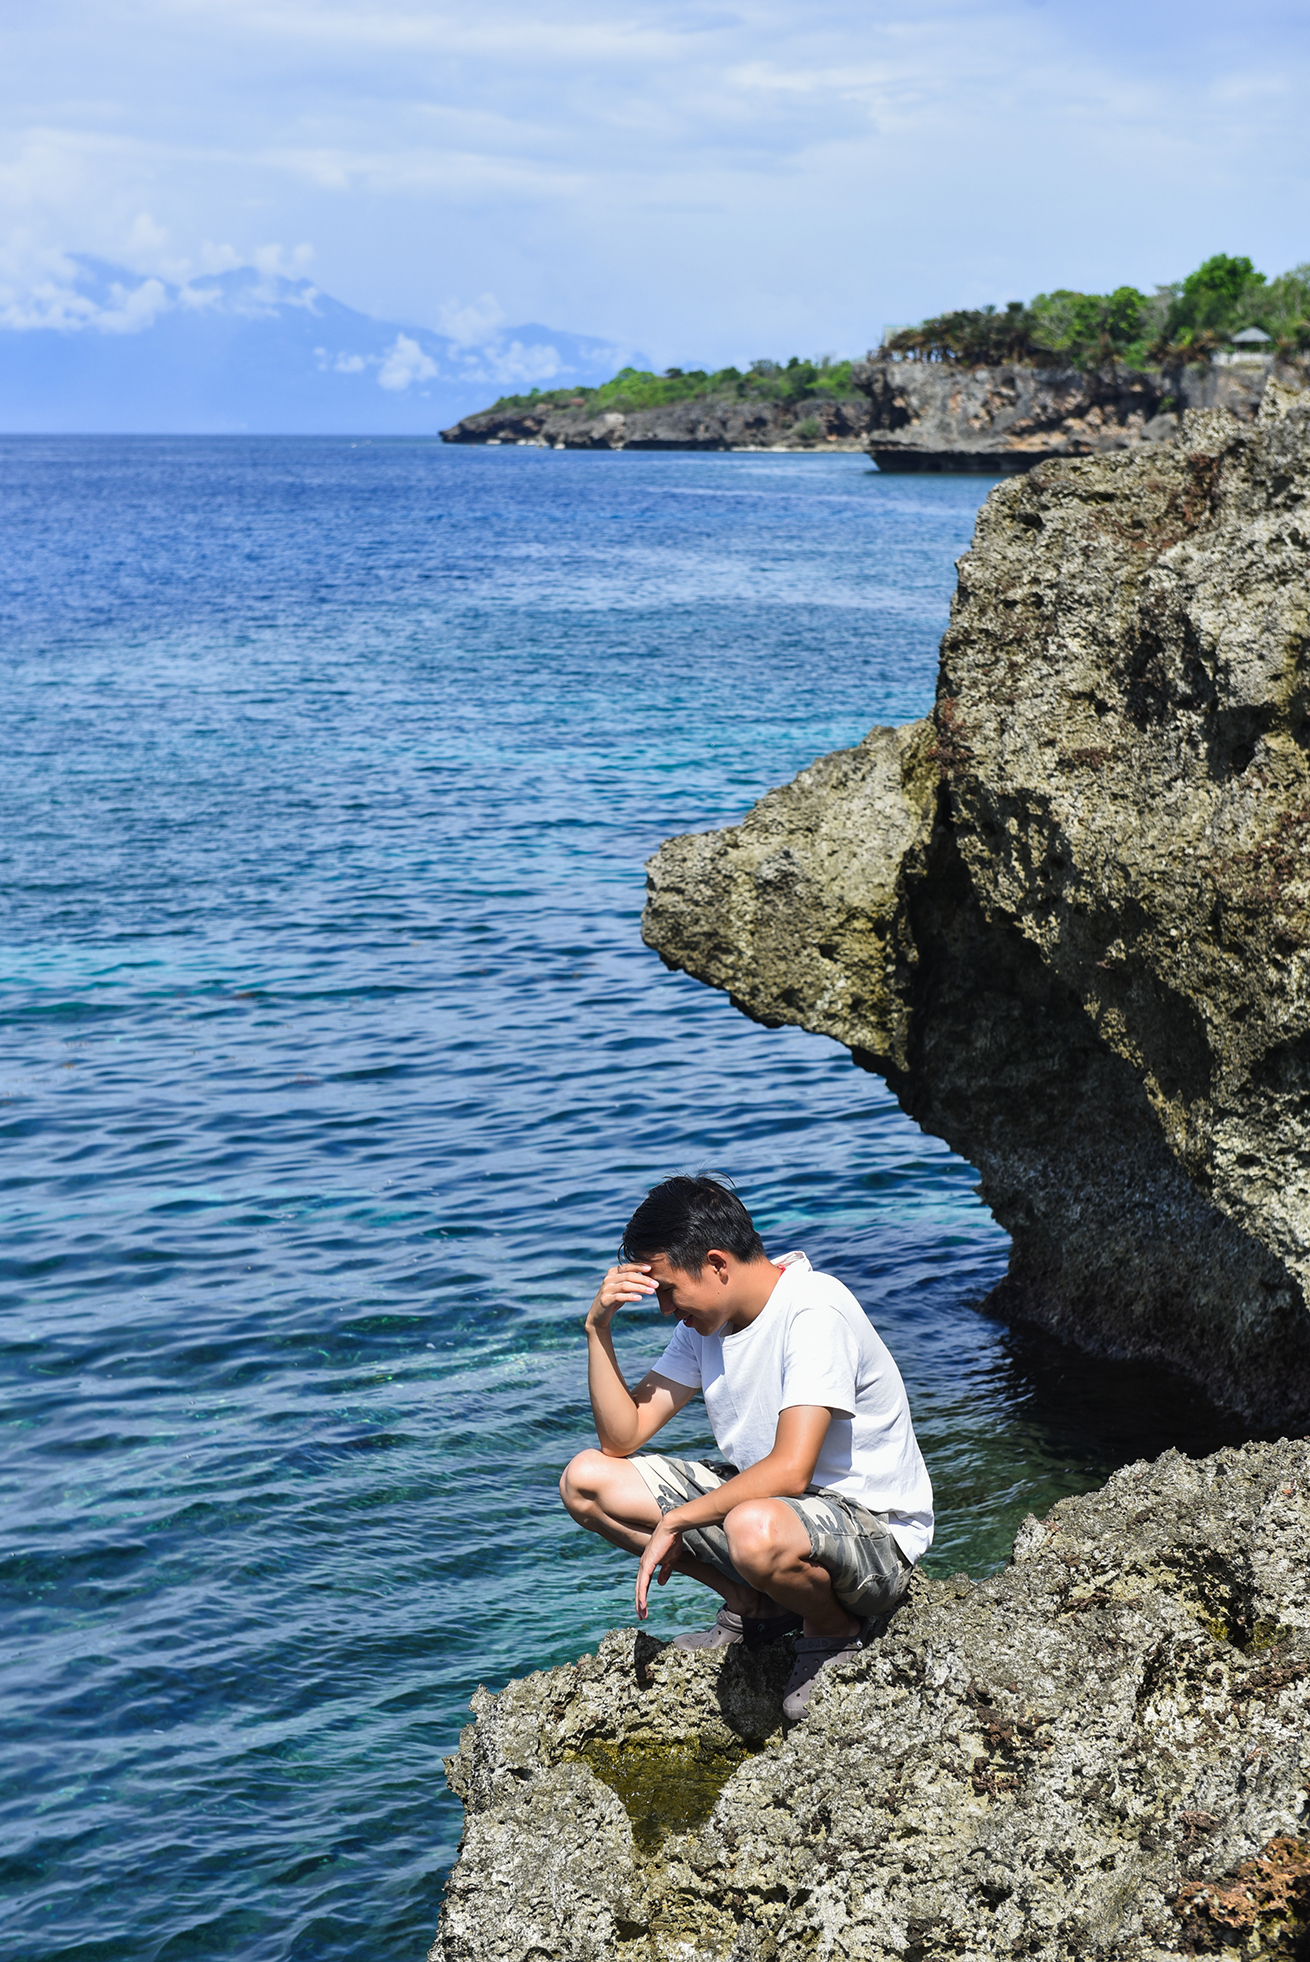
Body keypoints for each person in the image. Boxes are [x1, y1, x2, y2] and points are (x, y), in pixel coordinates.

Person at [559, 1175, 933, 1720]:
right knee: (586, 1481)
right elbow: (622, 1437)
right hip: (777, 1516)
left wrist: (677, 1519)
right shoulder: (706, 1324)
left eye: (667, 1288)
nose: (665, 1308)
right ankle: (751, 1604)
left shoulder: (813, 1309)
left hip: (873, 1536)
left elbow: (789, 1468)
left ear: (716, 1264)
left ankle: (832, 1629)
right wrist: (597, 1330)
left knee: (751, 1528)